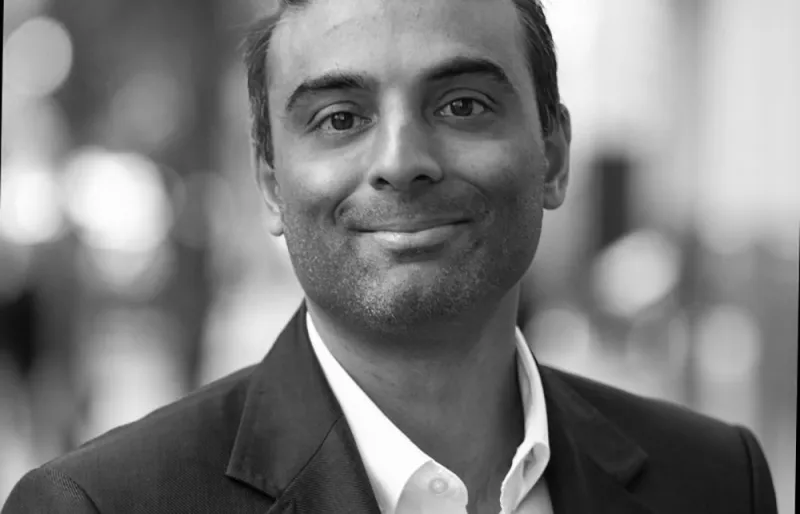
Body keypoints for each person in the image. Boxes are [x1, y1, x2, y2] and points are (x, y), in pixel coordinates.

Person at [2, 0, 779, 513]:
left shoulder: (716, 482)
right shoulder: (98, 507)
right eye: (341, 119)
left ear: (553, 155)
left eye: (463, 105)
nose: (401, 162)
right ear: (270, 183)